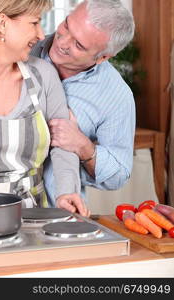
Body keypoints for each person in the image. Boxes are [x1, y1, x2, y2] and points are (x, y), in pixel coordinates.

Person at [0, 0, 90, 216]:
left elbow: (63, 143)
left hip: (34, 219)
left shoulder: (43, 76)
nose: (42, 34)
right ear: (2, 23)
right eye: (34, 22)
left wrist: (66, 191)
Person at [31, 0, 136, 207]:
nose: (62, 42)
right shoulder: (25, 47)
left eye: (78, 45)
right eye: (67, 26)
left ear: (102, 57)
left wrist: (82, 146)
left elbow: (119, 174)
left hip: (58, 213)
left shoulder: (116, 96)